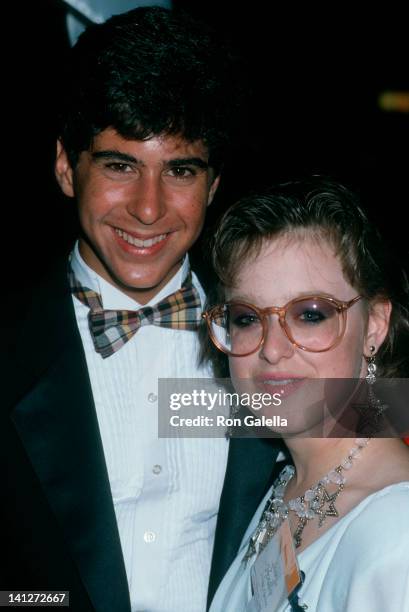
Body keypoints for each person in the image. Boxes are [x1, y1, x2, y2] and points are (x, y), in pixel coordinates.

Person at [0, 7, 283, 612]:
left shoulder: (281, 336)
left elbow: (373, 455)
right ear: (64, 166)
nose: (149, 209)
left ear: (211, 184)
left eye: (179, 170)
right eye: (120, 166)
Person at [203, 177, 409, 611]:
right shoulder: (281, 486)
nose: (272, 349)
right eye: (246, 318)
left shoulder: (397, 534)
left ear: (374, 325)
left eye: (310, 315)